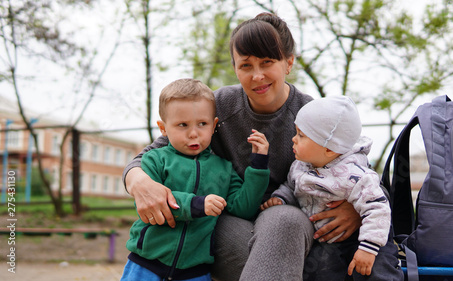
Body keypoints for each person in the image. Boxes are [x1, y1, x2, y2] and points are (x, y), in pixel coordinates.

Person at [123, 12, 391, 281]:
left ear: (288, 63)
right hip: (228, 221)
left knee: (283, 220)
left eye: (267, 62)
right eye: (246, 66)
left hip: (295, 226)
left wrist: (356, 210)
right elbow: (155, 151)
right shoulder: (217, 107)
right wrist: (138, 181)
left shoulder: (313, 115)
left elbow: (361, 171)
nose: (257, 75)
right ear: (235, 67)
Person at [120, 78, 271, 281]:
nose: (193, 133)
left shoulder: (224, 169)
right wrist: (198, 204)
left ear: (214, 125)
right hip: (146, 263)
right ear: (163, 128)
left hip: (195, 271)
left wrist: (258, 166)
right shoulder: (154, 160)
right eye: (182, 125)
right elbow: (160, 201)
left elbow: (242, 207)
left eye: (202, 124)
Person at [260, 96, 401, 280]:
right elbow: (291, 186)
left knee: (376, 272)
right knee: (319, 271)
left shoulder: (356, 174)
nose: (293, 139)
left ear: (329, 149)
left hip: (368, 236)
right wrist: (281, 198)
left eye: (301, 135)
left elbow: (378, 209)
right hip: (327, 240)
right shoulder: (300, 166)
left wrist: (368, 248)